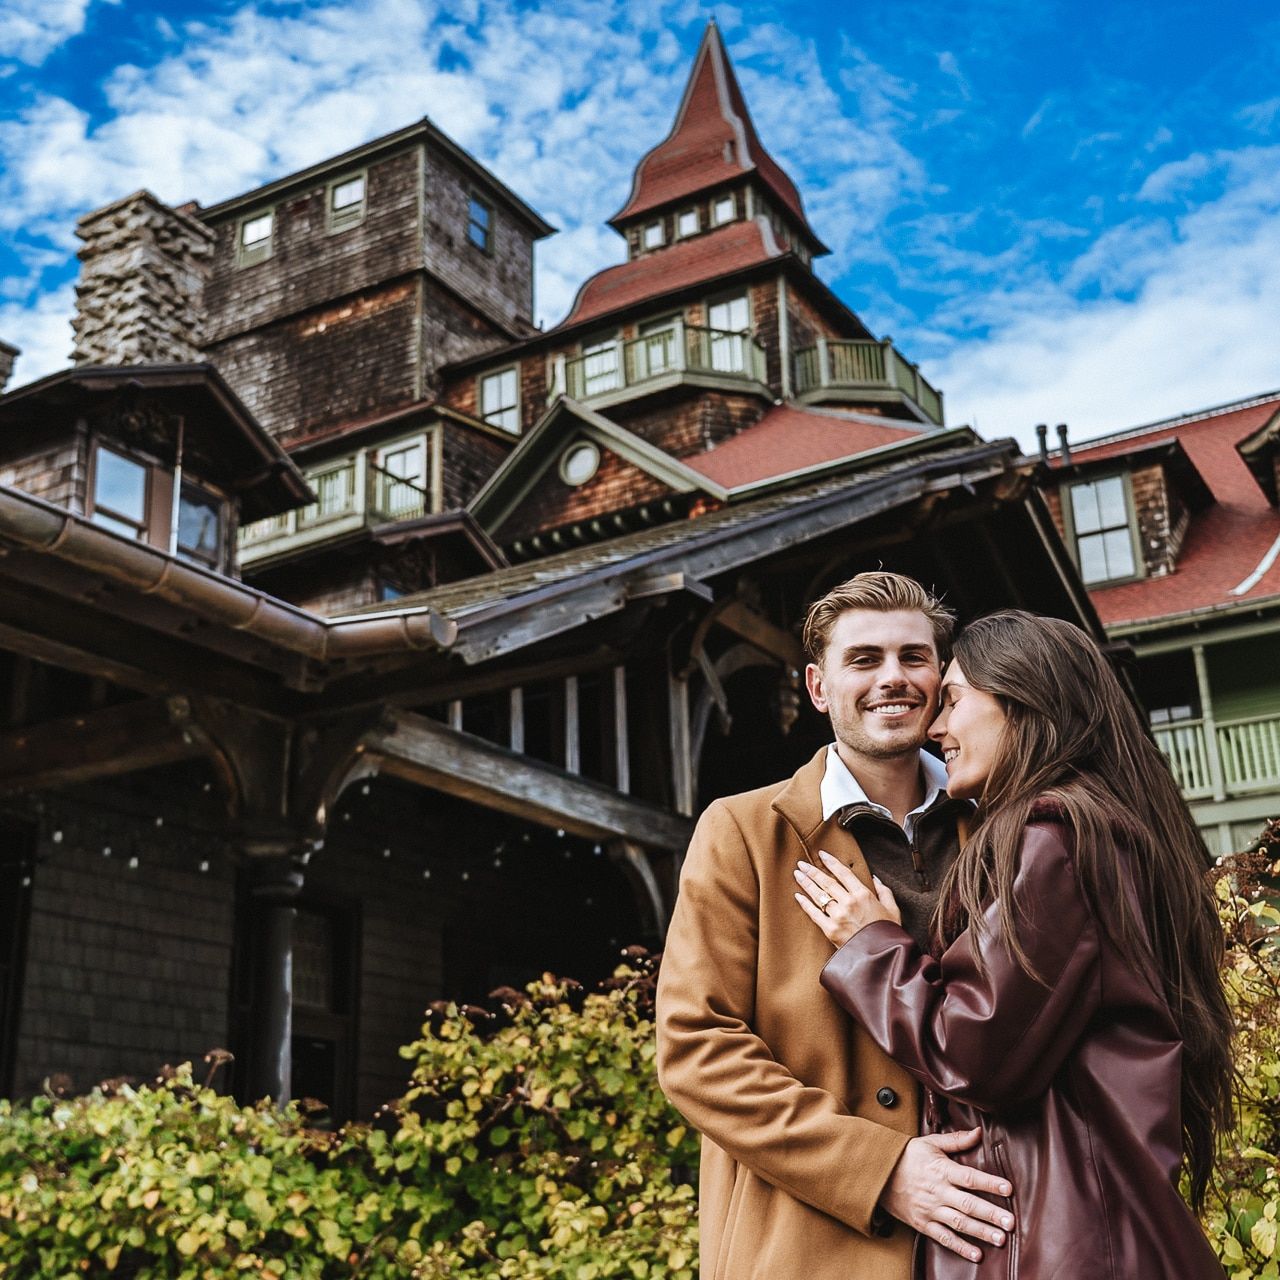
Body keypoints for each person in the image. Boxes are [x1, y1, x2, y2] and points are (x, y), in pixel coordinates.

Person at [794, 610, 1233, 1278]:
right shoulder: (1094, 833)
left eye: (954, 700)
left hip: (1067, 1250)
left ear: (1024, 701)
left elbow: (981, 1050)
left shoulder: (1058, 838)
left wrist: (871, 945)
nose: (936, 728)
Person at [656, 572, 1016, 1280]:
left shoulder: (1007, 824)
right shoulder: (741, 831)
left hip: (996, 1238)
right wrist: (879, 1169)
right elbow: (697, 1048)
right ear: (819, 689)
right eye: (865, 659)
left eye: (915, 657)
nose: (894, 678)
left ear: (943, 681)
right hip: (802, 1246)